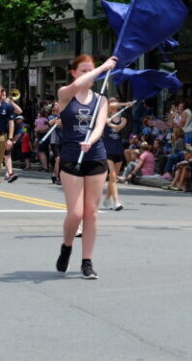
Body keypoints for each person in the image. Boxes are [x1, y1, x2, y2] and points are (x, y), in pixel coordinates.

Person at [52, 54, 116, 279]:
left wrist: (92, 140)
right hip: (71, 157)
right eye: (84, 70)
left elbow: (100, 125)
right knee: (76, 213)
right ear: (73, 72)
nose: (90, 74)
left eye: (93, 70)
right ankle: (67, 246)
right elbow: (78, 85)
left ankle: (87, 262)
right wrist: (102, 68)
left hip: (95, 156)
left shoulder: (101, 99)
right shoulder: (65, 95)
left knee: (91, 213)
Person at [102, 98, 127, 211]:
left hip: (118, 150)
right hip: (107, 150)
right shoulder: (103, 118)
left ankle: (107, 198)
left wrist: (110, 123)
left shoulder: (123, 119)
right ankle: (116, 202)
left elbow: (118, 127)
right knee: (112, 176)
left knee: (114, 179)